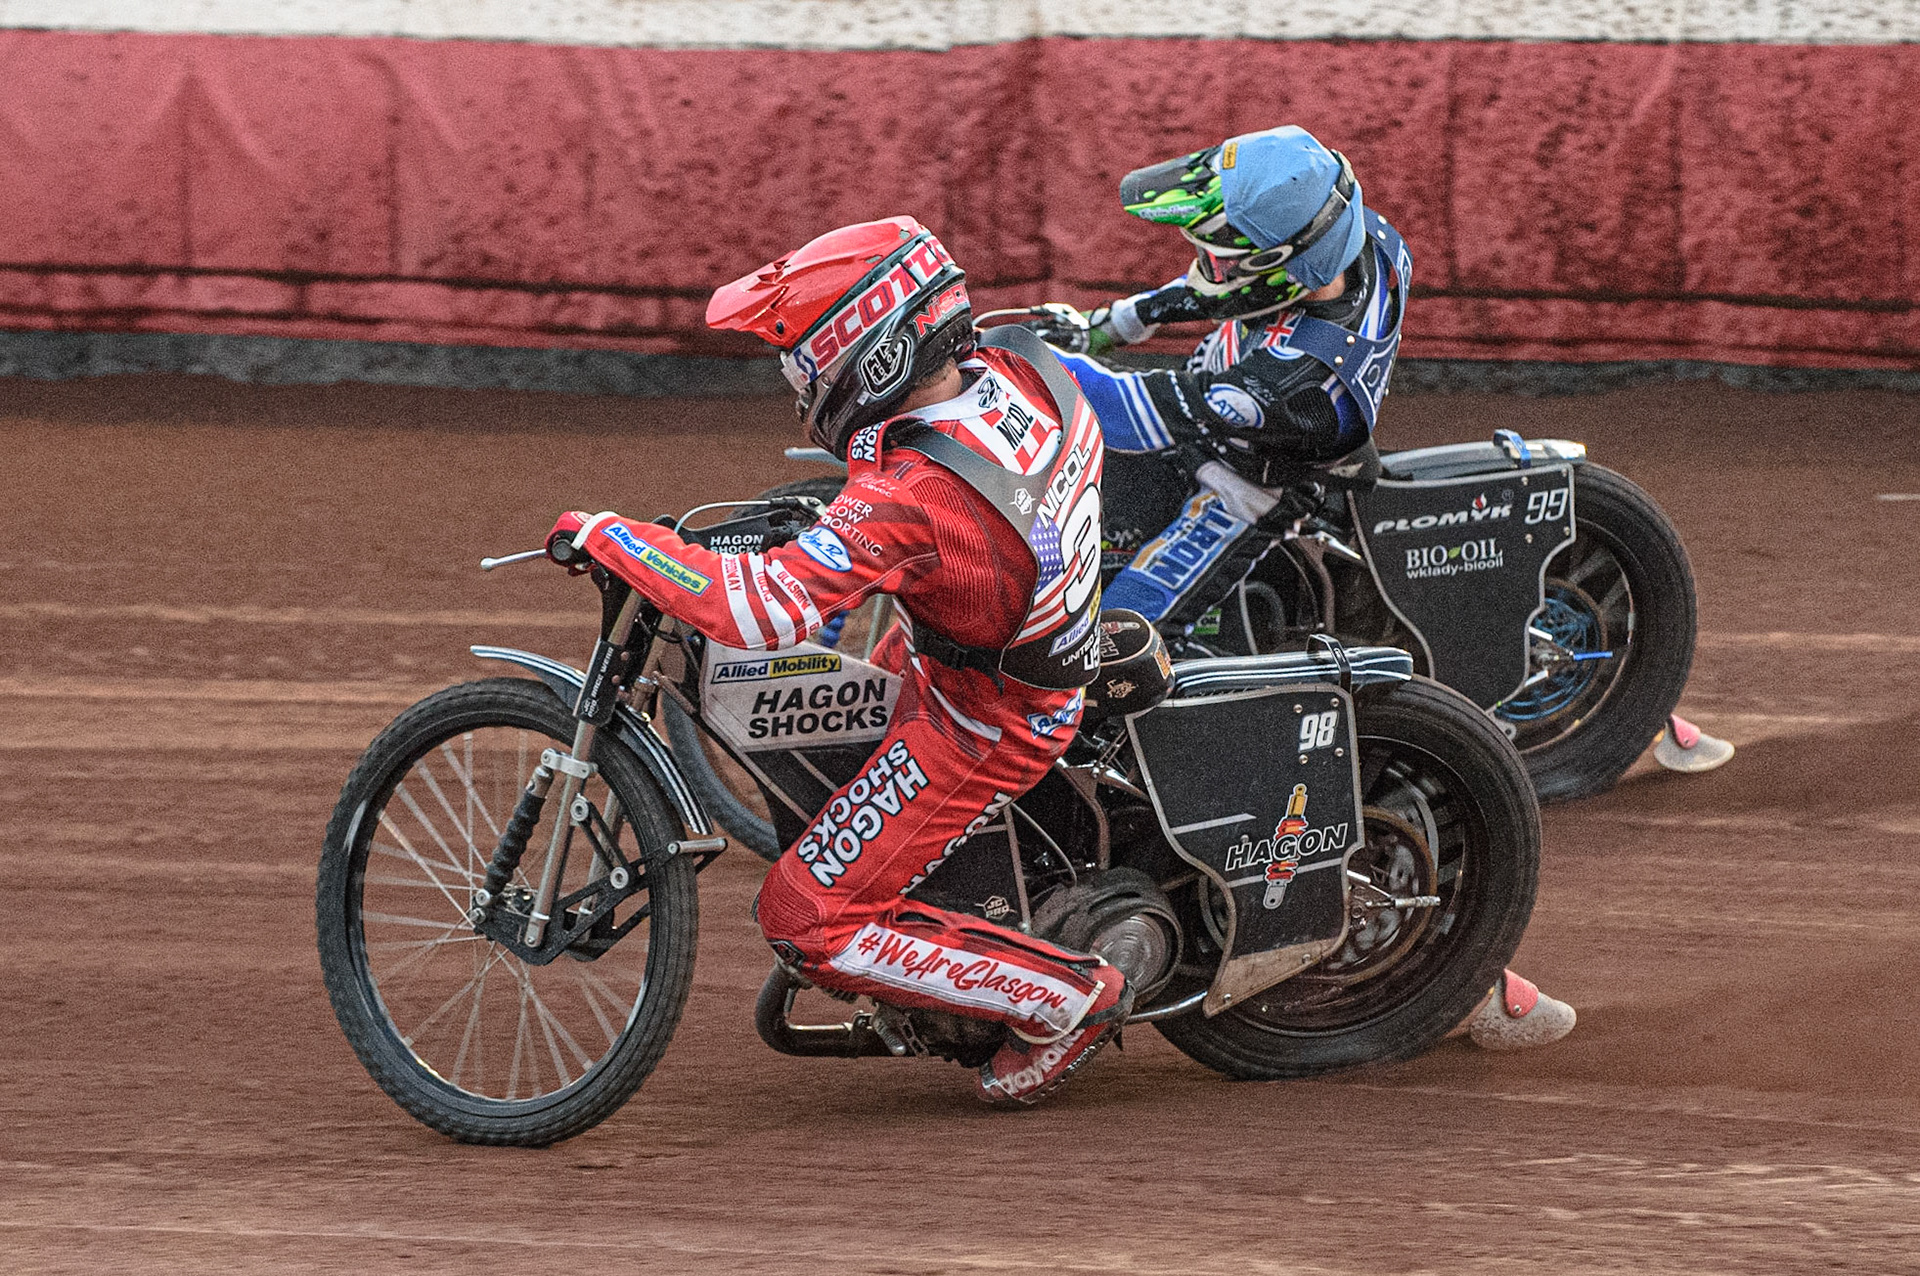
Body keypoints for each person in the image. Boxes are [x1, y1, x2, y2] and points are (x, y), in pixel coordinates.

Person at [545, 216, 1123, 1105]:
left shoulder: (909, 497)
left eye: (805, 362)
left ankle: (1064, 998)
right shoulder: (1020, 369)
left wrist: (618, 537)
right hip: (1019, 635)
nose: (797, 382)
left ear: (877, 356)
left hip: (984, 719)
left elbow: (759, 611)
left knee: (801, 919)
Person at [1030, 125, 1580, 1049]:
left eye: (1225, 249)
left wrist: (1024, 363)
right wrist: (1108, 323)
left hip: (1239, 491)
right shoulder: (1364, 238)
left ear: (1281, 269)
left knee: (1106, 647)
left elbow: (1137, 413)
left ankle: (1194, 815)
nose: (1203, 259)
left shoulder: (1304, 374)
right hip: (1234, 417)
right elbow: (1217, 290)